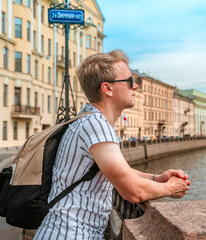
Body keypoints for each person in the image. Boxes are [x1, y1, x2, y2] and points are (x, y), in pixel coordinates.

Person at [34, 49, 190, 240]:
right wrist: (170, 188)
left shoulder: (87, 119)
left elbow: (120, 171)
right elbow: (133, 191)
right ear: (107, 88)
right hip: (70, 233)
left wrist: (157, 178)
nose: (136, 87)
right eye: (130, 81)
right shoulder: (96, 125)